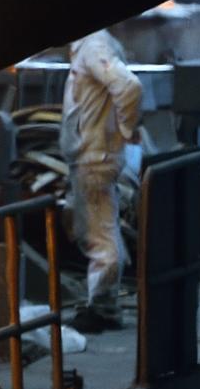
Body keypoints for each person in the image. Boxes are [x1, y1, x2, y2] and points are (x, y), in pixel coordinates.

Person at [61, 31, 142, 328]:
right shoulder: (88, 46)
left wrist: (126, 127)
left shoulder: (94, 46)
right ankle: (102, 302)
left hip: (95, 157)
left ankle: (104, 309)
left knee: (100, 236)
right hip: (92, 156)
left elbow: (129, 85)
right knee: (96, 230)